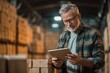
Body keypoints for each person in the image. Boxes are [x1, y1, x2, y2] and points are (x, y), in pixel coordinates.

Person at [51, 4, 105, 73]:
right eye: (65, 21)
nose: (69, 24)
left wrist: (81, 61)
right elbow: (59, 63)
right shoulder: (63, 36)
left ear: (79, 16)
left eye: (71, 20)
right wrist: (57, 64)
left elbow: (100, 62)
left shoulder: (93, 34)